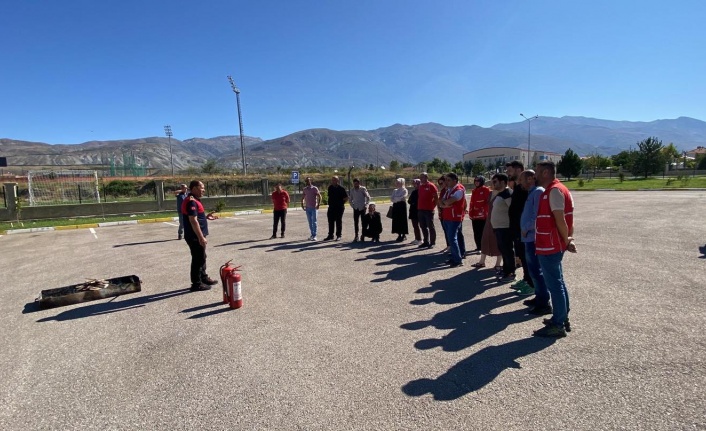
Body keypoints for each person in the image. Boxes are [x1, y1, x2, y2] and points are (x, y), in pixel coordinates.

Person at [532, 161, 577, 338]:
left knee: (555, 285)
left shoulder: (555, 191)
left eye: (536, 171)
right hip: (549, 244)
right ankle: (561, 317)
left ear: (545, 172)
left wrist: (567, 241)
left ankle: (558, 324)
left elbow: (561, 219)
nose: (534, 175)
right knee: (558, 282)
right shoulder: (554, 190)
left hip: (551, 245)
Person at [518, 170, 550, 310]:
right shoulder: (532, 192)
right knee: (533, 270)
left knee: (536, 271)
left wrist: (526, 228)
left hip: (533, 237)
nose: (520, 182)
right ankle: (539, 296)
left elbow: (538, 215)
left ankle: (543, 302)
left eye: (522, 179)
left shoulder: (538, 192)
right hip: (528, 237)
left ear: (530, 179)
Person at [182, 180, 218, 292]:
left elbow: (197, 217)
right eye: (202, 187)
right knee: (198, 259)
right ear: (194, 188)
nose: (204, 190)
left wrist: (206, 217)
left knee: (202, 257)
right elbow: (193, 220)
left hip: (196, 235)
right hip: (195, 236)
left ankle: (203, 278)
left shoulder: (195, 200)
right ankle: (196, 284)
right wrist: (201, 237)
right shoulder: (191, 201)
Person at [506, 161, 532, 291]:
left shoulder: (525, 189)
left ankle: (531, 283)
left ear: (518, 170)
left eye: (509, 171)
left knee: (527, 257)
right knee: (521, 256)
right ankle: (526, 279)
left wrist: (524, 227)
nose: (507, 174)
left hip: (523, 229)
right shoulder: (517, 187)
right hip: (517, 228)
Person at [490, 173, 515, 282]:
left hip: (505, 227)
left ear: (503, 182)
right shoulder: (500, 193)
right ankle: (505, 270)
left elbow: (513, 209)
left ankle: (510, 273)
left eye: (495, 181)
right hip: (499, 227)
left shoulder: (507, 193)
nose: (493, 184)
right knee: (503, 250)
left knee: (507, 250)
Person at [439, 172, 467, 267]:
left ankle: (458, 260)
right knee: (451, 239)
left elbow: (449, 201)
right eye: (446, 180)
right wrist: (445, 205)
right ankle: (455, 257)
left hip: (454, 217)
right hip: (447, 217)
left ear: (454, 181)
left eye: (448, 180)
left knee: (453, 238)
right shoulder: (448, 190)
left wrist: (445, 204)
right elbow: (441, 202)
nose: (446, 182)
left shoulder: (459, 190)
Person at [417, 172, 439, 249]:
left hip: (429, 210)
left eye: (422, 177)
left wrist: (433, 206)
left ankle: (432, 242)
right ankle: (426, 241)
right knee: (423, 226)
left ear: (426, 177)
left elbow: (436, 198)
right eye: (420, 177)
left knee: (430, 226)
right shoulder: (420, 186)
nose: (421, 179)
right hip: (420, 209)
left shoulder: (431, 186)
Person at [468, 176, 490, 253]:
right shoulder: (474, 190)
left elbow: (488, 202)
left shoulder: (485, 189)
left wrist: (482, 210)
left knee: (482, 232)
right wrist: (471, 213)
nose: (476, 182)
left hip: (483, 216)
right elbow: (472, 203)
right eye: (475, 180)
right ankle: (478, 246)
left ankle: (483, 247)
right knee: (476, 232)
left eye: (478, 181)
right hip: (474, 215)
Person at [324, 176, 348, 241]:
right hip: (331, 207)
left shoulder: (341, 188)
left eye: (334, 180)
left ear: (337, 181)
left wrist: (341, 203)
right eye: (332, 180)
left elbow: (346, 198)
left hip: (339, 208)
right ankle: (330, 235)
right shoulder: (330, 188)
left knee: (338, 221)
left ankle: (339, 235)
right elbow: (329, 197)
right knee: (331, 221)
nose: (333, 181)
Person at [436, 175, 450, 252]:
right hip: (442, 212)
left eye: (442, 183)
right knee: (445, 230)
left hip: (447, 212)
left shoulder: (448, 190)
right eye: (439, 183)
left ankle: (451, 246)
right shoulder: (442, 191)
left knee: (449, 230)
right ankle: (448, 245)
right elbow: (439, 202)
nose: (441, 185)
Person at [407, 179, 422, 245]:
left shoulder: (421, 191)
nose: (414, 185)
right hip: (413, 210)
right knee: (415, 226)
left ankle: (421, 239)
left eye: (415, 183)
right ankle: (417, 238)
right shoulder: (414, 192)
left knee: (422, 226)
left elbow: (415, 201)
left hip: (418, 210)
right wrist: (413, 202)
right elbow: (409, 201)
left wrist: (413, 202)